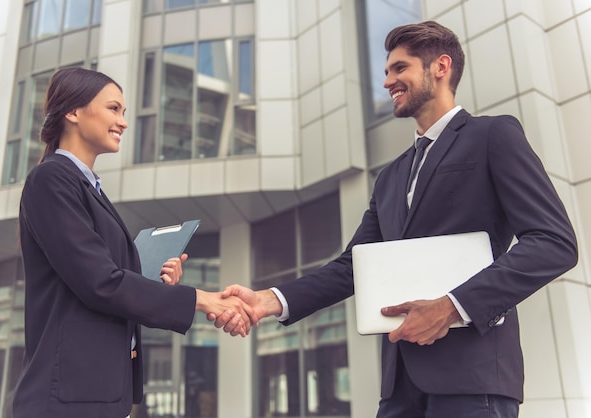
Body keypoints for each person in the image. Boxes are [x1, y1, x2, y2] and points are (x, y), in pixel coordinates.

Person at [213, 21, 578, 417]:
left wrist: (452, 306)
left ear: (439, 67)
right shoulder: (390, 177)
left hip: (472, 382)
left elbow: (553, 242)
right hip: (400, 386)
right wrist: (268, 301)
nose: (388, 81)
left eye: (399, 68)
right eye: (386, 71)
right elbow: (352, 266)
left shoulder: (493, 136)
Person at [12, 67, 256, 418]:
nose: (123, 122)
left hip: (97, 394)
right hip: (66, 400)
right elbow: (99, 282)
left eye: (124, 112)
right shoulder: (51, 179)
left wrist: (151, 279)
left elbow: (100, 276)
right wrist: (202, 300)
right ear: (73, 112)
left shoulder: (87, 188)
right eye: (113, 109)